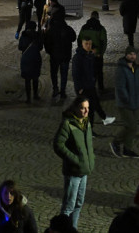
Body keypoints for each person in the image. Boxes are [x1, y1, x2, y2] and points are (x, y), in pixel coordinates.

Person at [53, 96, 95, 228]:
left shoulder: (86, 123)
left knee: (78, 204)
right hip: (73, 172)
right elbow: (58, 145)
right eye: (83, 108)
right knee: (68, 206)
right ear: (76, 108)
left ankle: (73, 229)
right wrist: (75, 159)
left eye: (87, 108)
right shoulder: (68, 124)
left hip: (84, 171)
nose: (86, 111)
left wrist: (90, 159)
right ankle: (62, 230)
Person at [72, 35, 114, 125]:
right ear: (82, 44)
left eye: (90, 44)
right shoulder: (78, 58)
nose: (88, 46)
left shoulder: (89, 55)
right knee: (89, 110)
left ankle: (104, 118)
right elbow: (76, 74)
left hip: (90, 85)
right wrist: (79, 87)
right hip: (84, 87)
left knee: (96, 103)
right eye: (86, 44)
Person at [111, 45, 139, 158]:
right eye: (130, 54)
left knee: (131, 127)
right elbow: (120, 87)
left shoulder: (136, 69)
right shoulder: (122, 69)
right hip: (125, 104)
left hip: (134, 102)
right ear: (126, 55)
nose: (132, 56)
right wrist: (126, 99)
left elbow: (138, 85)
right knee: (131, 126)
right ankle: (116, 141)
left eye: (134, 54)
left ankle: (127, 149)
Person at [46, 8, 77, 99]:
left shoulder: (51, 30)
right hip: (65, 56)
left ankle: (55, 88)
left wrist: (50, 51)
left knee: (54, 73)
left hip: (54, 56)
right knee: (64, 74)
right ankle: (62, 91)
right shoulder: (67, 29)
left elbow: (47, 43)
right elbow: (73, 38)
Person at [78, 11, 108, 93]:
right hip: (96, 54)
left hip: (86, 54)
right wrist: (101, 53)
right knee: (99, 72)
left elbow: (79, 40)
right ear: (98, 17)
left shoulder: (84, 27)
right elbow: (104, 42)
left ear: (90, 17)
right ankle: (101, 88)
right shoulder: (101, 28)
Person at [19, 21, 43, 103]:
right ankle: (35, 95)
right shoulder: (37, 36)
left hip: (26, 59)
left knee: (27, 79)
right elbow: (40, 47)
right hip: (36, 58)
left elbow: (20, 47)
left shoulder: (23, 36)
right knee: (35, 78)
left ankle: (28, 98)